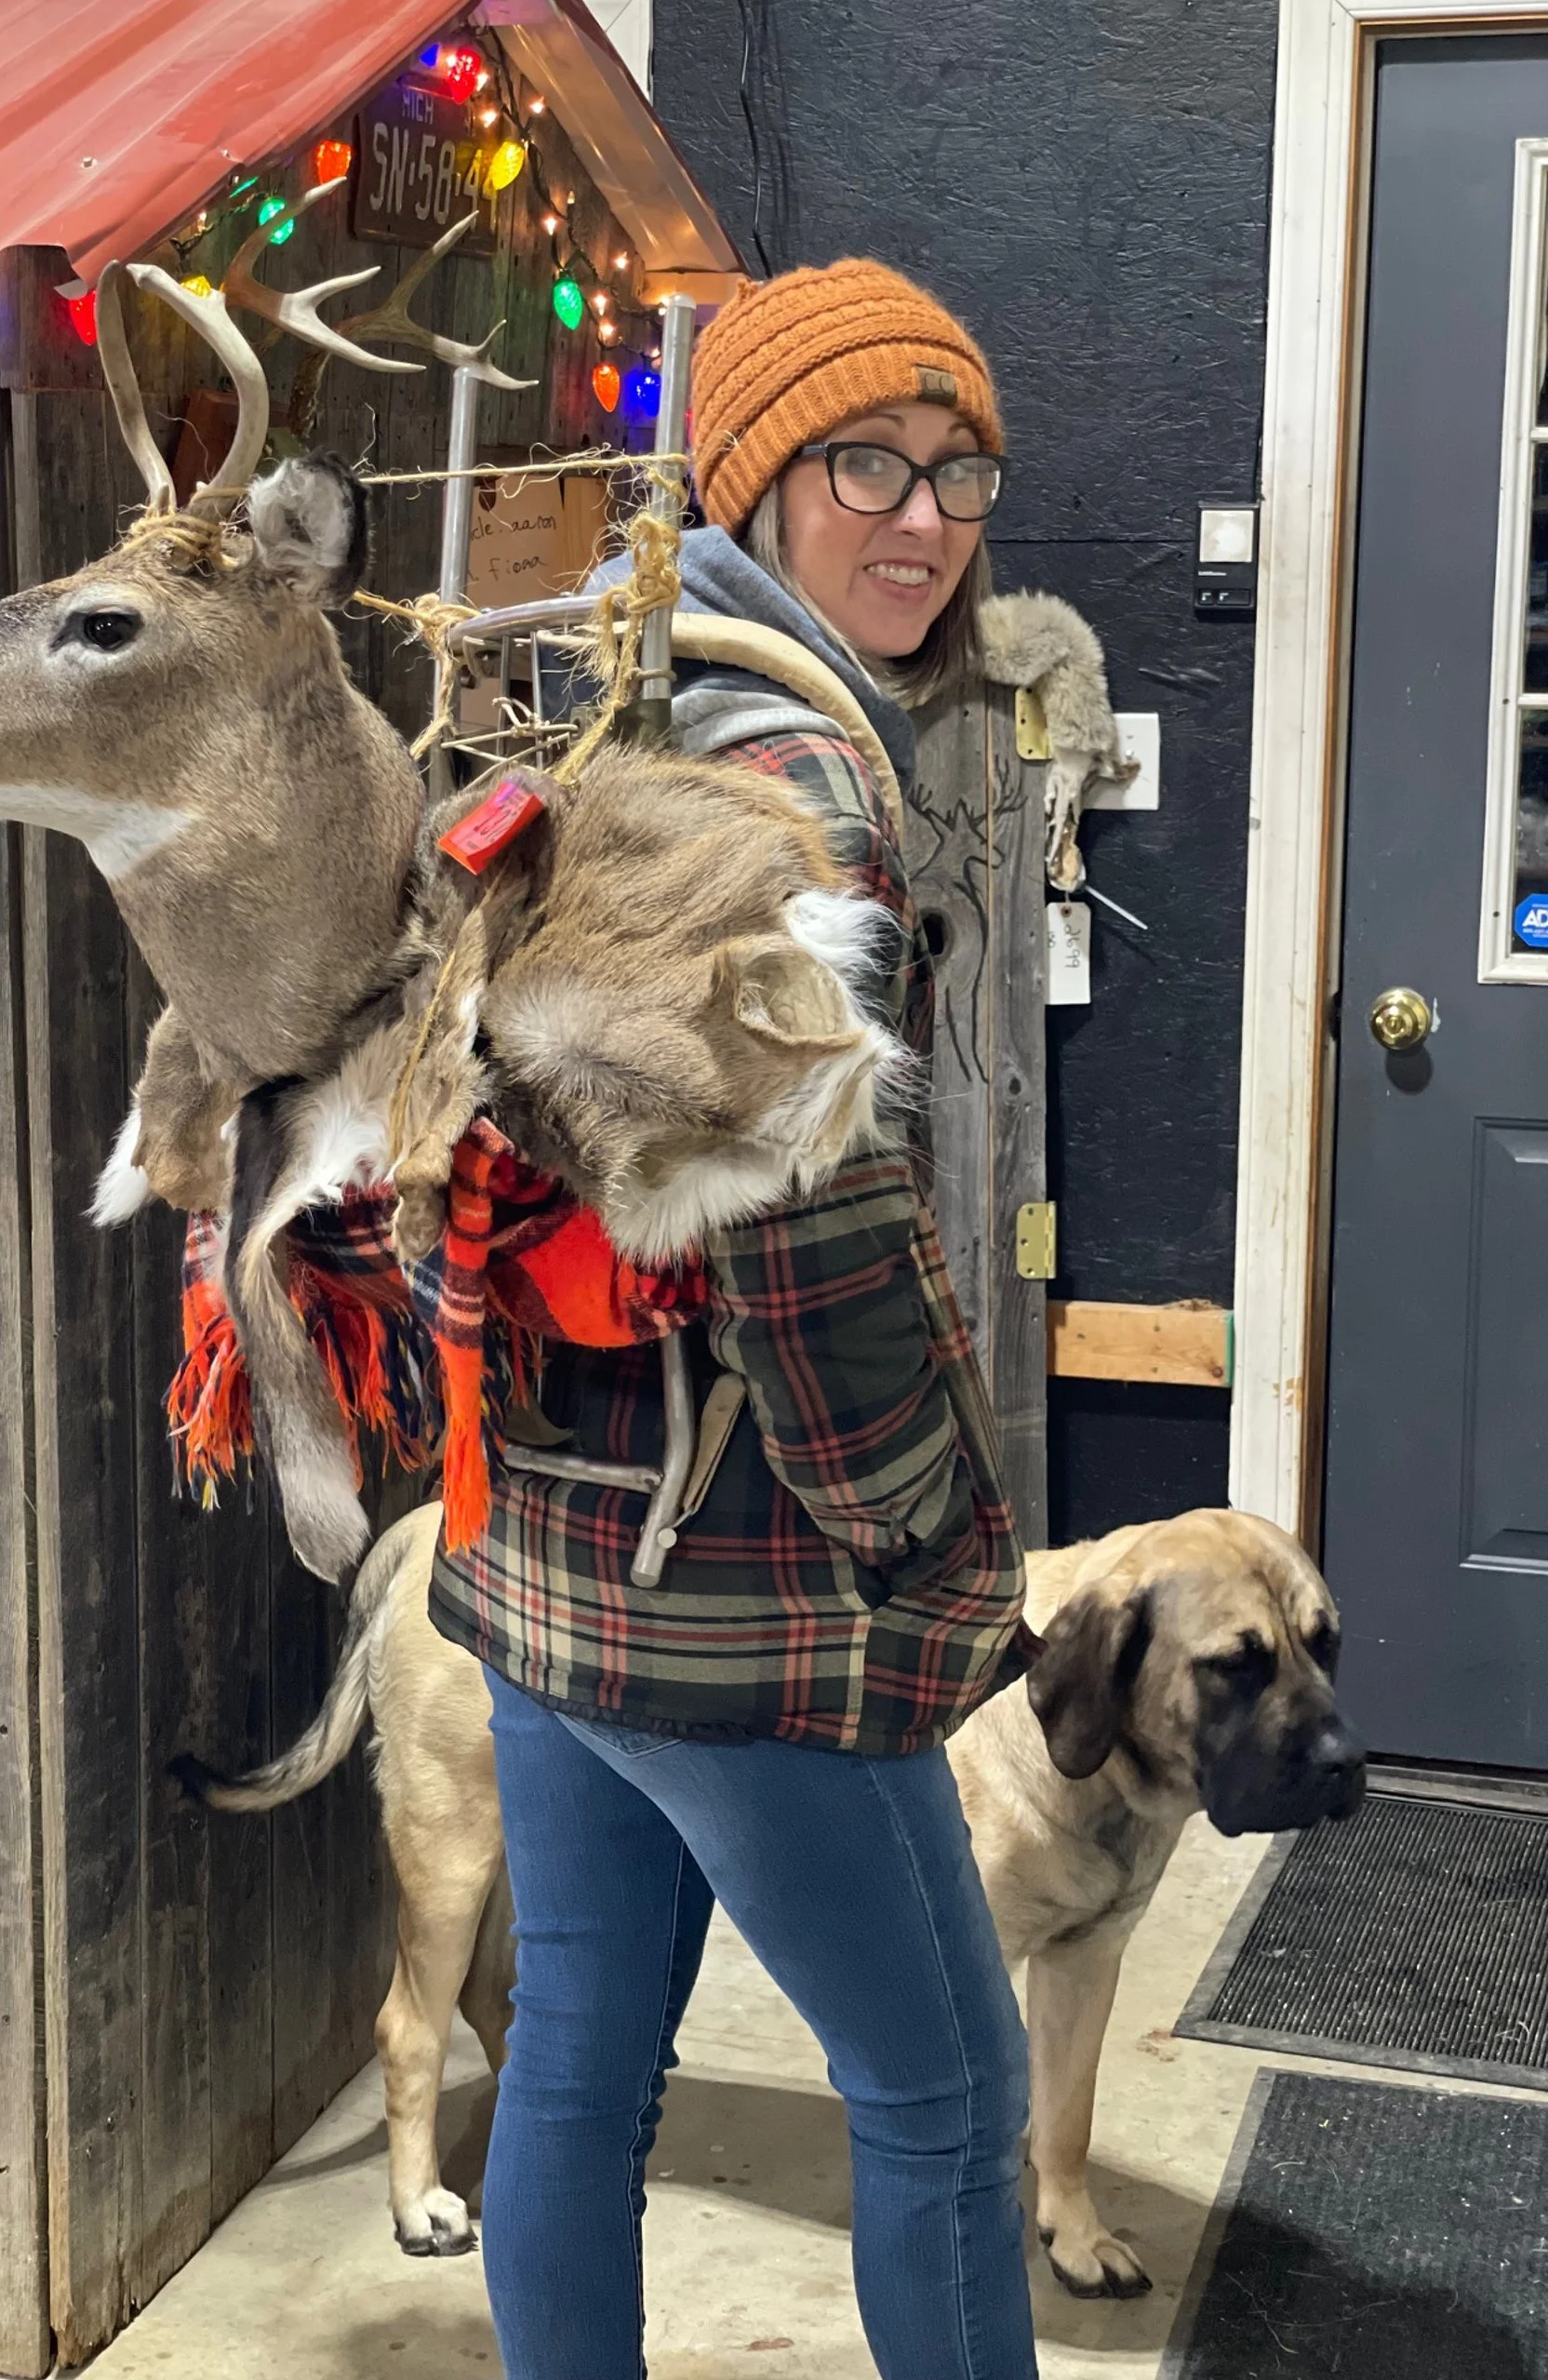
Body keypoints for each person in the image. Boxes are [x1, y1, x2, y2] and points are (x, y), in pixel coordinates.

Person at [428, 261, 1039, 2380]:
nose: (924, 515)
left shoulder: (609, 693)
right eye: (862, 461)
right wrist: (941, 1551)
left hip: (548, 1545)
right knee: (951, 2104)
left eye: (959, 471)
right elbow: (818, 1229)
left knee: (584, 2063)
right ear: (753, 478)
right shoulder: (801, 783)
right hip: (748, 1596)